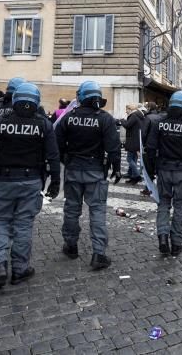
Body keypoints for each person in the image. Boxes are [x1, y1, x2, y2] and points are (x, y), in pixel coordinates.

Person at [0, 82, 61, 288]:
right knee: (23, 224)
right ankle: (20, 269)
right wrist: (55, 181)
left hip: (5, 180)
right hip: (31, 180)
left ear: (15, 99)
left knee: (0, 222)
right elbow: (53, 155)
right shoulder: (43, 124)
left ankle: (0, 266)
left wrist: (2, 155)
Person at [56, 81, 121, 270]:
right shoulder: (105, 118)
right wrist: (116, 168)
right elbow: (113, 147)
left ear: (80, 97)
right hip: (95, 170)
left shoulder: (69, 117)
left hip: (73, 170)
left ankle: (71, 246)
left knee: (71, 209)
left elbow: (57, 144)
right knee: (97, 211)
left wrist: (66, 161)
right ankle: (98, 253)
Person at [144, 91, 182, 256]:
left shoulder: (160, 123)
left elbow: (150, 148)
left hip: (163, 169)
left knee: (163, 204)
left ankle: (163, 236)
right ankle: (176, 243)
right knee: (180, 207)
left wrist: (149, 171)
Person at [122, 103, 147, 184]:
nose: (126, 111)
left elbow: (127, 125)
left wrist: (122, 120)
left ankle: (137, 176)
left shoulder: (134, 115)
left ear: (130, 109)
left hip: (132, 141)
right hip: (137, 140)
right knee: (134, 159)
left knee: (129, 159)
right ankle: (132, 176)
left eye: (127, 109)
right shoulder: (139, 115)